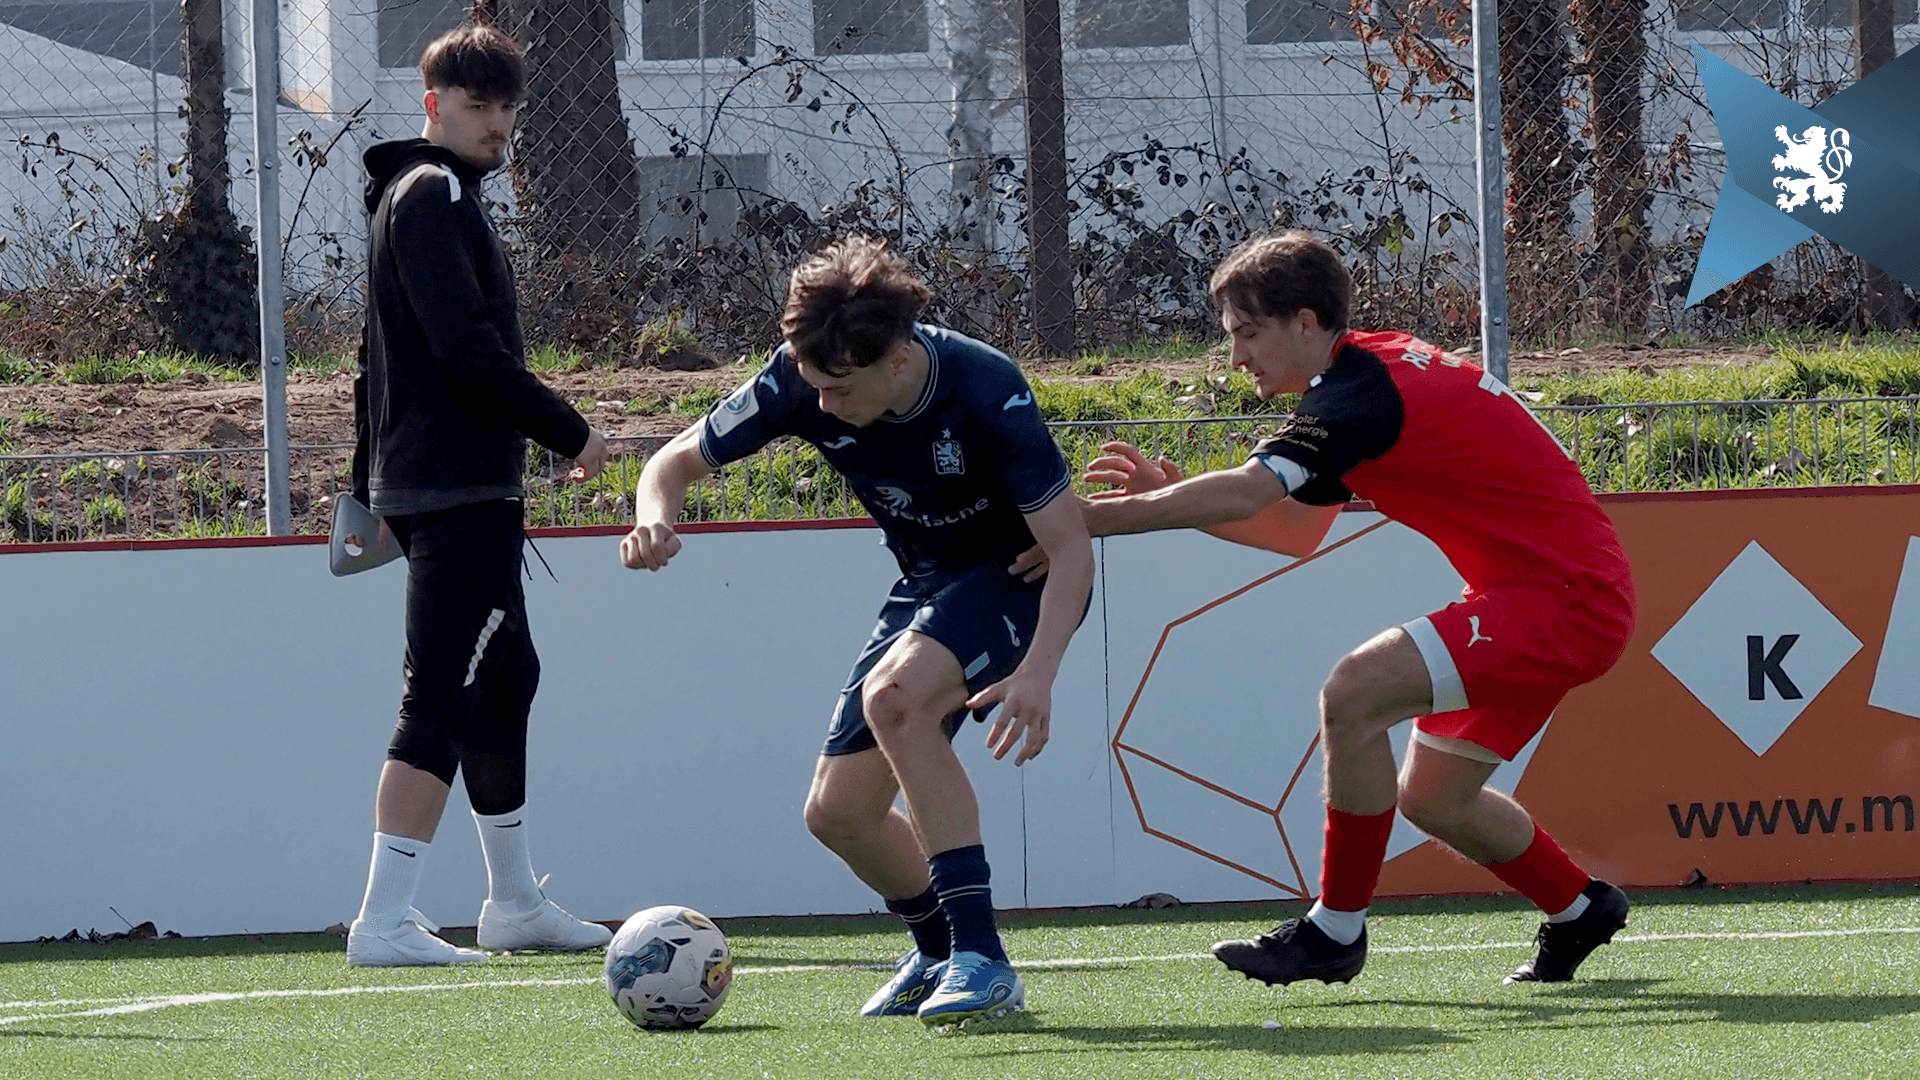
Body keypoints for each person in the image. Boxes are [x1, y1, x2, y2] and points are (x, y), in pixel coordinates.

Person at [1067, 230, 1636, 987]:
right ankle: (1579, 908)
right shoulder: (1362, 381)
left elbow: (1250, 492)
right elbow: (1293, 531)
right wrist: (1160, 502)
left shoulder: (1360, 392)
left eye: (1247, 333)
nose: (1236, 357)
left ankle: (1333, 933)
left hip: (1565, 603)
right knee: (1435, 800)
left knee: (1353, 692)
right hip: (1547, 597)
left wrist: (1080, 518)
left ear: (1306, 323)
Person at [620, 235, 1094, 1023]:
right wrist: (652, 522)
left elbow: (1071, 547)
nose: (823, 407)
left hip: (1016, 579)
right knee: (838, 814)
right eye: (813, 388)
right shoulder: (799, 377)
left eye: (839, 391)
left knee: (897, 699)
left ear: (899, 362)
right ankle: (939, 949)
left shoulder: (986, 388)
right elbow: (668, 464)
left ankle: (984, 960)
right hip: (927, 585)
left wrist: (1040, 672)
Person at [344, 22, 614, 967]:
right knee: (443, 692)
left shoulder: (434, 192)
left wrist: (370, 481)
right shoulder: (432, 194)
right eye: (478, 105)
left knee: (505, 676)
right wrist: (571, 430)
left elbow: (380, 358)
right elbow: (465, 352)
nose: (498, 122)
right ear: (433, 105)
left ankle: (512, 903)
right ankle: (382, 920)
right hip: (454, 485)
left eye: (507, 106)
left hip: (449, 482)